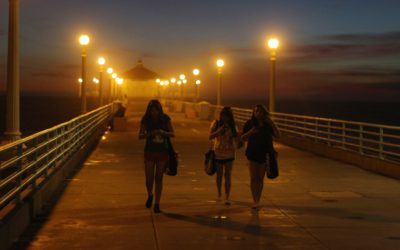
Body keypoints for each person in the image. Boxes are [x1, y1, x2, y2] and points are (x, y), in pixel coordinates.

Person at [240, 104, 280, 209]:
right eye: (256, 111)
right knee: (253, 178)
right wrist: (250, 132)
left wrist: (271, 123)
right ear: (253, 112)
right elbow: (242, 138)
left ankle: (258, 199)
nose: (258, 113)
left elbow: (278, 135)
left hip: (264, 154)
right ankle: (255, 200)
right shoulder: (249, 123)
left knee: (260, 179)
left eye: (260, 111)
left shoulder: (267, 125)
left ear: (264, 113)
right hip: (252, 153)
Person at [139, 99, 175, 213]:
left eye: (156, 111)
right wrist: (150, 134)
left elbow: (173, 133)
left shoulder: (165, 118)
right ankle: (150, 194)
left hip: (162, 152)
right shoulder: (145, 119)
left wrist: (162, 132)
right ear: (149, 111)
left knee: (159, 178)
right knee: (149, 179)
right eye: (152, 111)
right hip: (149, 151)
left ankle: (157, 204)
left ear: (159, 110)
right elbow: (140, 135)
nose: (154, 113)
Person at [209, 107, 239, 205]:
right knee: (219, 175)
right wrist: (219, 130)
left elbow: (237, 139)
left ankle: (227, 196)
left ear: (230, 117)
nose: (225, 118)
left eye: (227, 116)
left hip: (230, 153)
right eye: (223, 116)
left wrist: (235, 136)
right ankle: (219, 194)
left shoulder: (233, 126)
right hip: (218, 153)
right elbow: (210, 136)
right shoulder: (216, 124)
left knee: (228, 175)